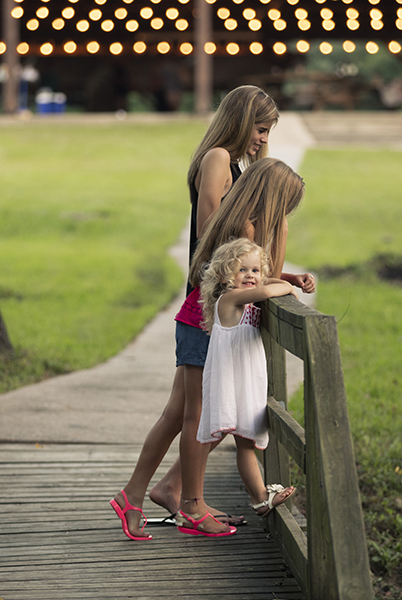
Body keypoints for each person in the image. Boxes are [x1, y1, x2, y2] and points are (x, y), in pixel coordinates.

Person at [110, 154, 315, 540]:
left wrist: (285, 276)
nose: (285, 215)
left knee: (186, 413)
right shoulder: (244, 224)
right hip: (205, 324)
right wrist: (282, 235)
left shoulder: (238, 219)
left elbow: (252, 271)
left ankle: (153, 492)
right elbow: (252, 283)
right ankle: (189, 504)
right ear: (273, 200)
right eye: (284, 207)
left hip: (202, 319)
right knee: (198, 415)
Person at [178, 238, 297, 537]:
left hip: (247, 380)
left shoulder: (245, 297)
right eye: (241, 269)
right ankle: (196, 500)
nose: (250, 275)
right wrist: (290, 286)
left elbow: (266, 284)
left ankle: (260, 499)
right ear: (224, 275)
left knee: (246, 442)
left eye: (255, 270)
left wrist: (274, 278)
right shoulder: (229, 300)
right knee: (237, 438)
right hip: (231, 382)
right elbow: (270, 289)